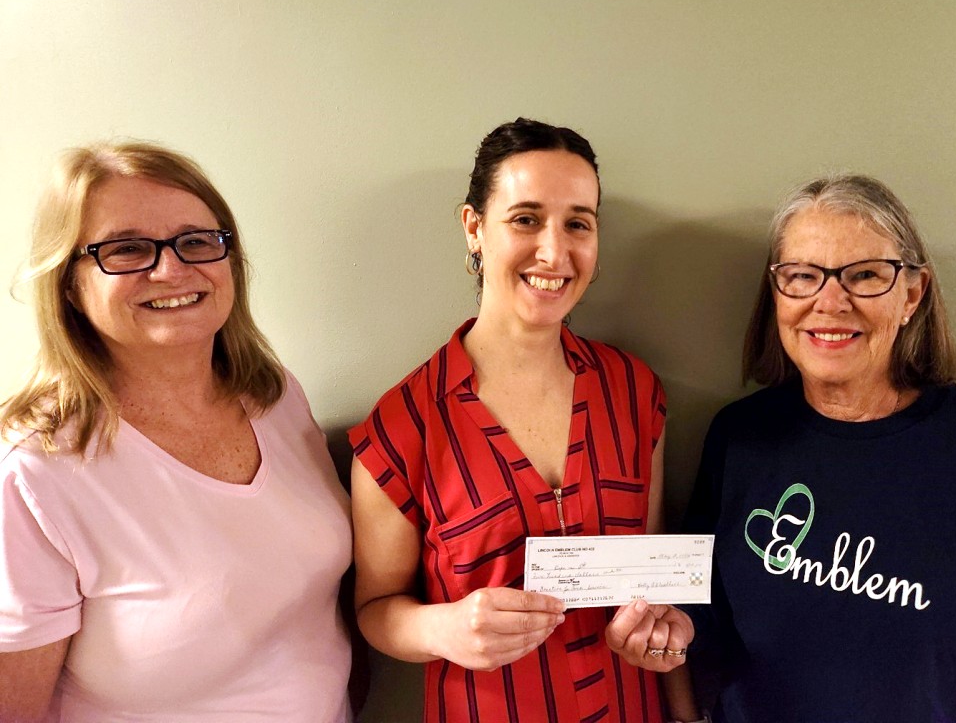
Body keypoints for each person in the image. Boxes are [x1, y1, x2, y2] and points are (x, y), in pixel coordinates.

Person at [349, 118, 698, 722]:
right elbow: (375, 609)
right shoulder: (402, 425)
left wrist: (663, 634)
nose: (554, 253)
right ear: (474, 228)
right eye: (526, 219)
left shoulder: (635, 393)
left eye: (578, 224)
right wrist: (444, 628)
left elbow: (652, 574)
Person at [0, 142, 353, 722]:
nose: (171, 269)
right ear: (68, 285)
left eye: (196, 241)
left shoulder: (274, 396)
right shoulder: (37, 474)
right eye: (126, 249)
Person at [682, 174, 956, 721]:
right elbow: (702, 621)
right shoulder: (739, 437)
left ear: (912, 294)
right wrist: (664, 636)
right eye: (802, 276)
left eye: (865, 275)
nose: (830, 302)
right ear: (777, 294)